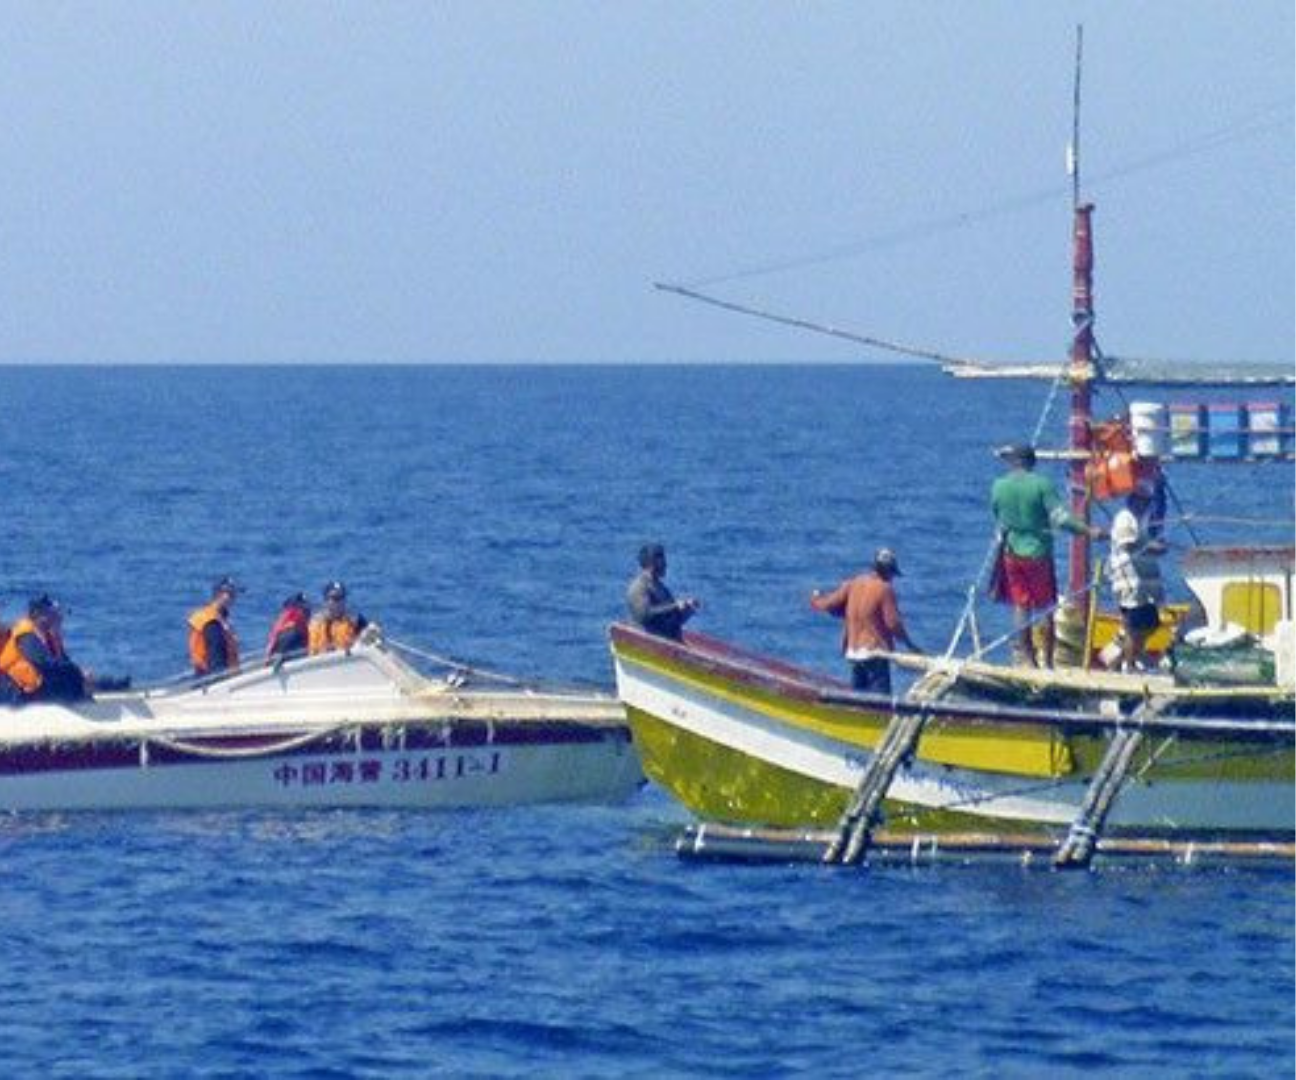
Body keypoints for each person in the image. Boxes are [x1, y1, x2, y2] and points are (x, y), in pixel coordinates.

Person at [990, 443, 1100, 668]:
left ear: (1013, 462)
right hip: (1038, 552)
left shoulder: (998, 486)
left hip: (1011, 552)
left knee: (1021, 605)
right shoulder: (1041, 484)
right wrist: (1089, 531)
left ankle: (1027, 658)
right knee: (1047, 607)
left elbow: (998, 515)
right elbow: (1061, 518)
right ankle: (1048, 661)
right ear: (1032, 462)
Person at [810, 548, 922, 694]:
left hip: (854, 653)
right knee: (880, 701)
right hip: (875, 654)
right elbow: (893, 623)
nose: (892, 579)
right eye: (892, 574)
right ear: (888, 571)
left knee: (858, 698)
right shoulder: (885, 589)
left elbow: (829, 604)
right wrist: (910, 645)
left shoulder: (854, 583)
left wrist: (815, 598)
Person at [1107, 498, 1167, 672]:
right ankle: (1129, 664)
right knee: (1135, 627)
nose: (1147, 505)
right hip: (1129, 582)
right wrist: (1153, 548)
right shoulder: (1125, 518)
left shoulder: (1142, 520)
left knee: (1150, 623)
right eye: (1145, 501)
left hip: (1144, 583)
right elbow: (1128, 545)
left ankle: (1120, 659)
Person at [0, 595, 91, 704]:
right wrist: (78, 673)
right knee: (70, 677)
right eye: (54, 614)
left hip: (29, 688)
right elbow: (44, 663)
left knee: (72, 677)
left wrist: (78, 673)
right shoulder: (26, 636)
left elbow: (62, 662)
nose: (59, 617)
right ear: (41, 616)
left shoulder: (49, 636)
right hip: (14, 690)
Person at [626, 543, 699, 641]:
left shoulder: (662, 588)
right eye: (662, 561)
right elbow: (644, 615)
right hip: (649, 641)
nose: (666, 565)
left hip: (671, 642)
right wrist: (674, 606)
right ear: (652, 563)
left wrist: (687, 609)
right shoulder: (638, 587)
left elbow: (673, 620)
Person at [188, 576, 240, 677]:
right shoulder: (211, 622)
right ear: (219, 595)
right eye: (231, 594)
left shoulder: (219, 618)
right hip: (211, 680)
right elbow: (216, 659)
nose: (234, 597)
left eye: (234, 593)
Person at [308, 581, 368, 655]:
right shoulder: (316, 623)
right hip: (322, 662)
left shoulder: (356, 620)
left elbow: (367, 642)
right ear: (326, 600)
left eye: (342, 597)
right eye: (335, 598)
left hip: (349, 661)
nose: (340, 602)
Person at [266, 592, 311, 661]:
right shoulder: (290, 614)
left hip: (297, 643)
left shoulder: (302, 615)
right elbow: (275, 632)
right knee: (293, 632)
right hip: (283, 648)